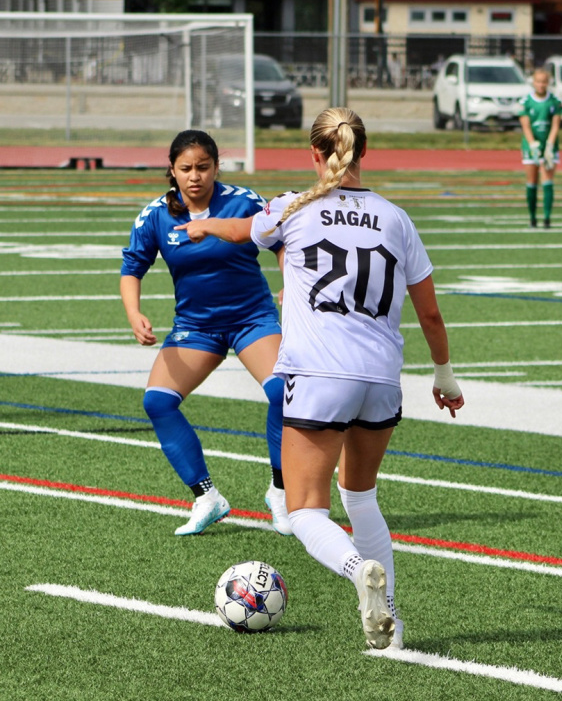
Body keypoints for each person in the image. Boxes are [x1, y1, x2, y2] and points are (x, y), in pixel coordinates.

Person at [174, 108, 464, 650]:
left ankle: (357, 570)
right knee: (362, 496)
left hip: (317, 376)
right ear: (364, 151)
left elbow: (243, 231)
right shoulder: (397, 218)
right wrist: (444, 375)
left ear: (314, 153)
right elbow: (430, 315)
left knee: (306, 509)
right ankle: (392, 627)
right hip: (381, 381)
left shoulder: (293, 208)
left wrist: (204, 224)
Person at [120, 129, 291, 537]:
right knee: (158, 402)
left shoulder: (243, 201)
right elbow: (132, 269)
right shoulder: (156, 215)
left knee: (284, 392)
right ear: (172, 171)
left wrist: (290, 282)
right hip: (196, 327)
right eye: (185, 168)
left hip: (252, 318)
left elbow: (282, 243)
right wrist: (134, 312)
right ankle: (207, 497)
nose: (194, 176)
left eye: (203, 167)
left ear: (216, 166)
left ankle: (281, 493)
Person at [518, 68, 562, 229]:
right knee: (532, 181)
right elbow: (525, 126)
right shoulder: (526, 101)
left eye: (544, 81)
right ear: (533, 82)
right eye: (538, 81)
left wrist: (549, 146)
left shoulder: (554, 101)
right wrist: (533, 144)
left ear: (548, 83)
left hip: (549, 145)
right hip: (531, 145)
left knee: (548, 181)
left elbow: (556, 124)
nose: (541, 85)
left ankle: (546, 218)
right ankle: (532, 218)